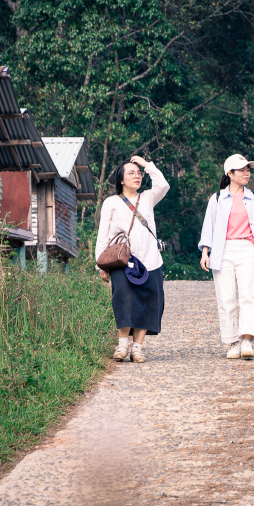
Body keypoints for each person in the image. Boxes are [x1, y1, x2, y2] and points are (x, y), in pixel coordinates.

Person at [95, 155, 169, 363]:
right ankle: (122, 346)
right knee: (123, 299)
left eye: (139, 174)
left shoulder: (147, 198)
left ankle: (137, 349)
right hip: (121, 261)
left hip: (150, 260)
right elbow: (104, 234)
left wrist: (147, 165)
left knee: (147, 301)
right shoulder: (111, 202)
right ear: (121, 179)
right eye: (131, 173)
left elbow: (163, 184)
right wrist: (100, 264)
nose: (137, 176)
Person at [198, 154, 254, 360]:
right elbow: (208, 227)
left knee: (247, 295)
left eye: (248, 169)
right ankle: (231, 342)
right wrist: (205, 251)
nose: (246, 173)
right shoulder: (217, 199)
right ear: (229, 173)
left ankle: (246, 340)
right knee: (226, 298)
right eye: (242, 170)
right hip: (222, 251)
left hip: (247, 249)